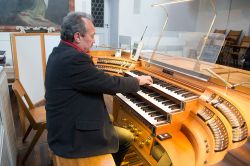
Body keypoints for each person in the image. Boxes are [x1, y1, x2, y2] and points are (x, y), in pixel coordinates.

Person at [45, 12, 153, 166]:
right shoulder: (74, 59)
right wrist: (137, 80)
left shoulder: (59, 53)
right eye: (92, 35)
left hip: (62, 124)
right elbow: (110, 84)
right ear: (77, 37)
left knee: (109, 120)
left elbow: (94, 80)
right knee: (126, 138)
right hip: (71, 137)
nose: (94, 41)